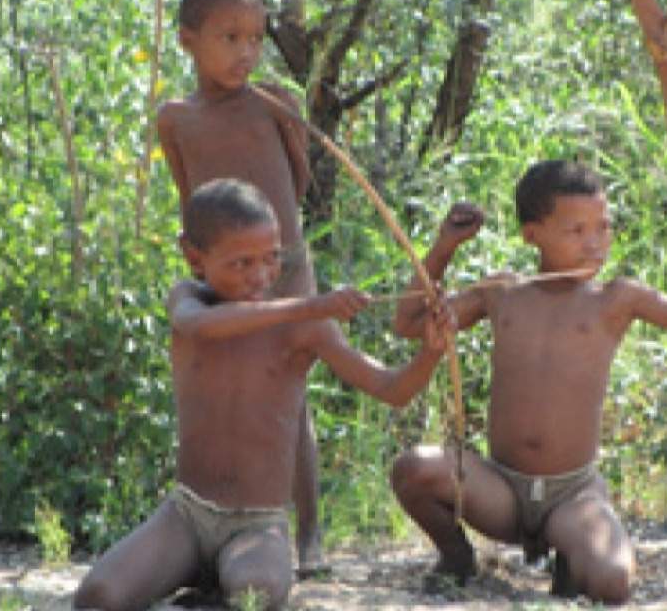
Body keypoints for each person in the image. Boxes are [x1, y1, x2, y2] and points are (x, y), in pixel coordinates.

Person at [389, 160, 667, 605]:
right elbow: (408, 322)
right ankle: (456, 556)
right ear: (532, 234)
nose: (594, 243)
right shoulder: (503, 293)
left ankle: (569, 557)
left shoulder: (615, 300)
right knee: (413, 468)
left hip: (571, 495)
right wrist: (445, 247)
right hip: (500, 490)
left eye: (603, 228)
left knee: (613, 582)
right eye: (577, 230)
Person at [74, 179, 450, 611]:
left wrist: (431, 352)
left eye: (272, 258)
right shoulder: (189, 300)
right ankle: (196, 575)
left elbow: (393, 389)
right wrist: (310, 305)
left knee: (256, 594)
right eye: (241, 263)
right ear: (194, 257)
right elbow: (201, 327)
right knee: (98, 596)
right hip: (187, 514)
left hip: (257, 525)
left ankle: (212, 588)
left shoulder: (304, 328)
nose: (261, 276)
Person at [155, 0, 326, 575]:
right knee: (224, 389)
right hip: (220, 275)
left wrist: (275, 256)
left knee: (292, 397)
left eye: (256, 38)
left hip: (285, 265)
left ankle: (309, 533)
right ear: (187, 41)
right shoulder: (176, 118)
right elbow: (190, 196)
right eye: (230, 37)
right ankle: (216, 521)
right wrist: (214, 266)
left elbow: (300, 180)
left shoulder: (277, 101)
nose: (247, 53)